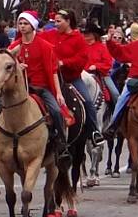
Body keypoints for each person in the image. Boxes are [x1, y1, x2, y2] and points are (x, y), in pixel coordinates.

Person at [0, 10, 69, 161]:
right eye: (20, 23)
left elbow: (53, 71)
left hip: (41, 87)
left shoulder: (45, 46)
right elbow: (3, 67)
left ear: (33, 25)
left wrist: (58, 93)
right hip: (19, 89)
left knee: (55, 111)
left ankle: (61, 145)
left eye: (25, 23)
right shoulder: (13, 47)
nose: (22, 26)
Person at [41, 9, 101, 144]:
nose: (55, 24)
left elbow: (82, 58)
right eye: (54, 21)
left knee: (88, 102)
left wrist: (64, 62)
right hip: (52, 79)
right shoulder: (50, 35)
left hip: (72, 78)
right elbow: (37, 39)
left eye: (58, 21)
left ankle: (94, 131)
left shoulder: (78, 38)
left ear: (68, 21)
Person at [83, 23, 119, 101]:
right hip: (83, 74)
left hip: (101, 74)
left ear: (94, 34)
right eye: (85, 33)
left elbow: (108, 63)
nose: (86, 35)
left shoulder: (102, 47)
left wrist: (96, 66)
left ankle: (117, 112)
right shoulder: (81, 47)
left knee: (115, 94)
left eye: (88, 33)